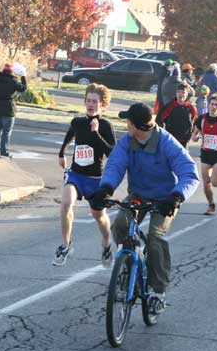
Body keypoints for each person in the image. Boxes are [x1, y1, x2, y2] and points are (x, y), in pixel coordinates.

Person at [89, 103, 199, 308]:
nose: (126, 125)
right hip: (138, 194)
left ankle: (158, 290)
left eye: (128, 122)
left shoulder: (166, 142)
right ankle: (130, 264)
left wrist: (177, 196)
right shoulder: (127, 142)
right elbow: (115, 165)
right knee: (121, 225)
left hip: (165, 199)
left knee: (155, 238)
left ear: (138, 126)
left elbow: (190, 173)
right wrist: (105, 189)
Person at [54, 84, 116, 267]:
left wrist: (96, 133)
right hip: (76, 174)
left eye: (95, 101)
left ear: (103, 104)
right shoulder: (77, 122)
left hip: (96, 179)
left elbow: (112, 153)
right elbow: (69, 136)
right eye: (88, 101)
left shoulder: (105, 125)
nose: (91, 104)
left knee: (99, 216)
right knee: (66, 204)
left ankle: (106, 245)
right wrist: (61, 153)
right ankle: (66, 245)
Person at [0, 62, 27, 157]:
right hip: (9, 109)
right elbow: (23, 88)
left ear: (3, 70)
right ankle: (4, 152)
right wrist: (23, 76)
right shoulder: (13, 82)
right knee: (6, 132)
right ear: (12, 72)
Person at [156, 83, 198, 147]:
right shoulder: (170, 106)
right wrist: (161, 134)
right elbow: (159, 120)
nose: (180, 94)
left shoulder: (191, 108)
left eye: (183, 92)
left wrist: (193, 134)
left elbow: (195, 122)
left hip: (184, 141)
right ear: (176, 93)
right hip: (171, 139)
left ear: (187, 95)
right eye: (178, 92)